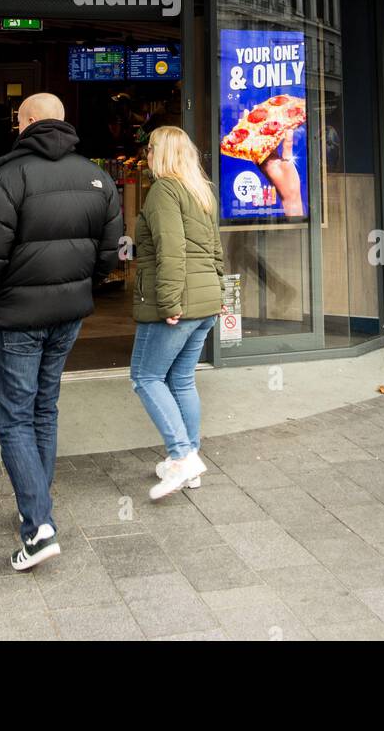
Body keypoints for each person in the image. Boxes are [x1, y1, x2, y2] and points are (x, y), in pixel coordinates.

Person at [0, 92, 123, 571]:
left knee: (14, 418)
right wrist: (78, 288)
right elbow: (111, 254)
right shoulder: (97, 176)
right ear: (63, 120)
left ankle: (38, 526)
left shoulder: (8, 176)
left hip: (17, 319)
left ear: (25, 121)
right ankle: (37, 507)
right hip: (68, 316)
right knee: (44, 408)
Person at [130, 126, 225, 500]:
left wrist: (169, 302)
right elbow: (216, 250)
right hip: (204, 304)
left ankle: (182, 456)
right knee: (182, 380)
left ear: (161, 153)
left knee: (146, 377)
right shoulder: (201, 192)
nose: (146, 155)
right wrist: (218, 293)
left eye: (149, 148)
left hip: (179, 304)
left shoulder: (163, 191)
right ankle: (190, 462)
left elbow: (171, 251)